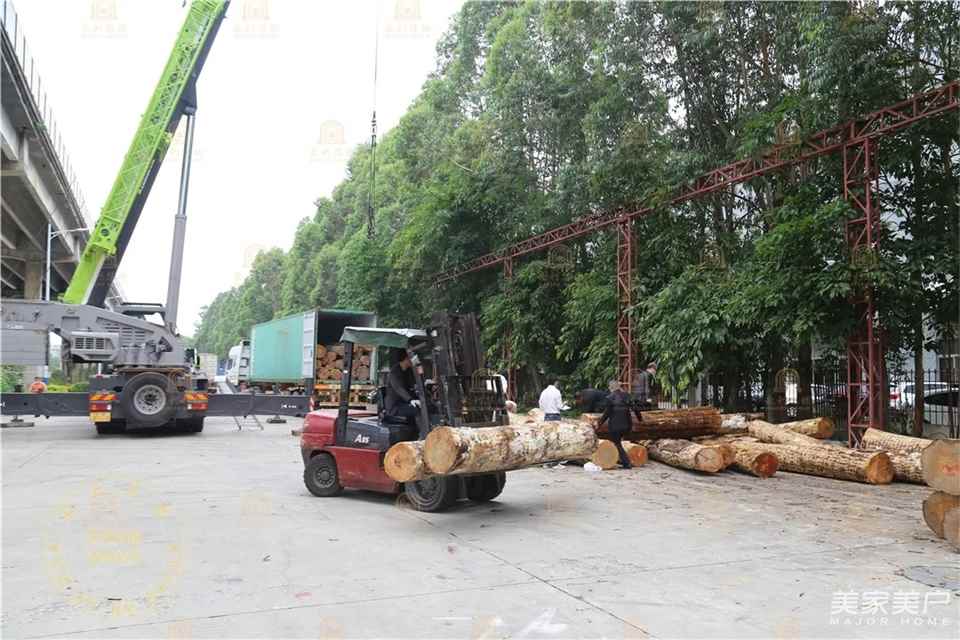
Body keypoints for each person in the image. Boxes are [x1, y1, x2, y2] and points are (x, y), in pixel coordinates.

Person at [597, 380, 644, 469]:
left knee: (617, 443)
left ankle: (627, 463)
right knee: (621, 442)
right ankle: (623, 458)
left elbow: (607, 413)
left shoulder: (609, 398)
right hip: (627, 425)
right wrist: (640, 419)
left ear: (611, 388)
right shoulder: (627, 395)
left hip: (615, 426)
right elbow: (635, 408)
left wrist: (599, 423)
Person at [385, 348, 421, 425]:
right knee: (419, 409)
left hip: (404, 403)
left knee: (426, 407)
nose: (412, 360)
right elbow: (398, 388)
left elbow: (413, 385)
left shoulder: (407, 371)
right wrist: (410, 399)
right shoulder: (394, 372)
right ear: (406, 359)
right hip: (395, 407)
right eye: (410, 357)